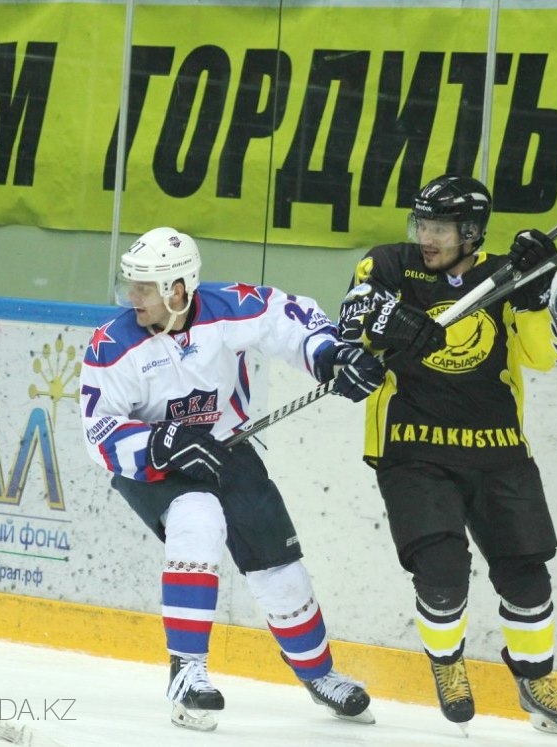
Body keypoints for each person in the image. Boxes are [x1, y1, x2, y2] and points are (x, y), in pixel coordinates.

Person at [79, 226, 384, 732]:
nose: (133, 297)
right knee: (198, 518)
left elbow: (289, 320)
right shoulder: (112, 345)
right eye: (131, 284)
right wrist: (161, 443)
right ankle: (187, 673)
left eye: (145, 287)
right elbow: (99, 432)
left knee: (278, 565)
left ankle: (318, 673)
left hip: (226, 447)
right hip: (154, 462)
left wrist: (331, 356)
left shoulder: (229, 307)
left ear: (179, 289)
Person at [337, 176, 557, 737]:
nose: (426, 238)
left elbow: (545, 357)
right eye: (422, 224)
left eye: (440, 229)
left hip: (498, 449)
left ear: (471, 232)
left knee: (527, 575)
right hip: (413, 448)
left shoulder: (505, 275)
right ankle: (448, 665)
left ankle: (535, 680)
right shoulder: (389, 265)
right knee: (443, 572)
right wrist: (394, 323)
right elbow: (351, 324)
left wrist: (534, 296)